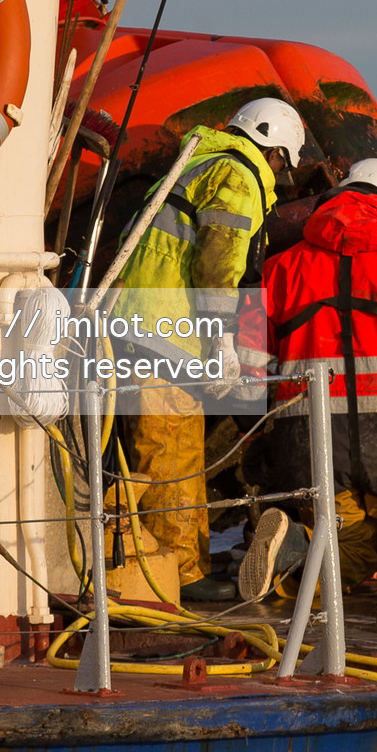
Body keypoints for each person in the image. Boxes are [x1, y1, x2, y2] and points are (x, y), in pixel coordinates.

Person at [237, 158, 377, 600]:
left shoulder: (281, 267)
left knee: (344, 545)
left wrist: (255, 433)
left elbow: (250, 361)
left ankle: (292, 544)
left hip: (310, 437)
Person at [114, 97, 305, 591]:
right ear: (275, 150)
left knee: (179, 450)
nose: (279, 174)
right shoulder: (239, 177)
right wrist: (222, 339)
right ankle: (174, 575)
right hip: (164, 329)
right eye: (282, 163)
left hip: (144, 323)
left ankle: (186, 564)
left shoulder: (195, 164)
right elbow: (218, 264)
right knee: (169, 452)